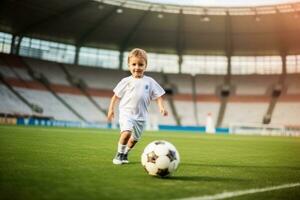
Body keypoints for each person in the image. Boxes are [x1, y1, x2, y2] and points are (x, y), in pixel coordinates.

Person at [107, 48, 168, 165]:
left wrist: (161, 107)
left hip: (141, 116)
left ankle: (125, 153)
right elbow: (115, 96)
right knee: (126, 133)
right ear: (129, 65)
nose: (137, 67)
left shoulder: (150, 81)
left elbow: (159, 96)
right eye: (134, 64)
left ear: (145, 66)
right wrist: (111, 109)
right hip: (126, 113)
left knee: (134, 140)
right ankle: (119, 154)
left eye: (140, 64)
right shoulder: (126, 81)